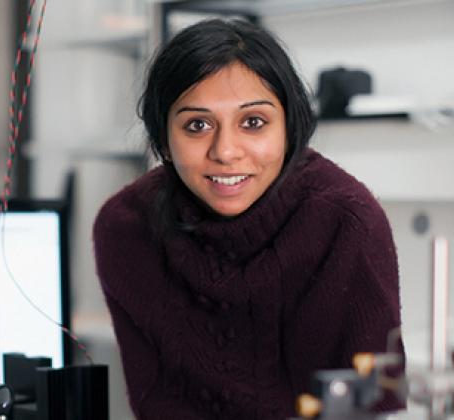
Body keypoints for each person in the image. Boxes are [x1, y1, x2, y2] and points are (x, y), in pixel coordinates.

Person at [93, 18, 405, 420]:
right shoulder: (126, 228)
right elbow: (157, 404)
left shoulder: (346, 222)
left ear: (290, 128)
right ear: (163, 140)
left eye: (253, 122)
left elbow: (375, 406)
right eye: (197, 125)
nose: (225, 151)